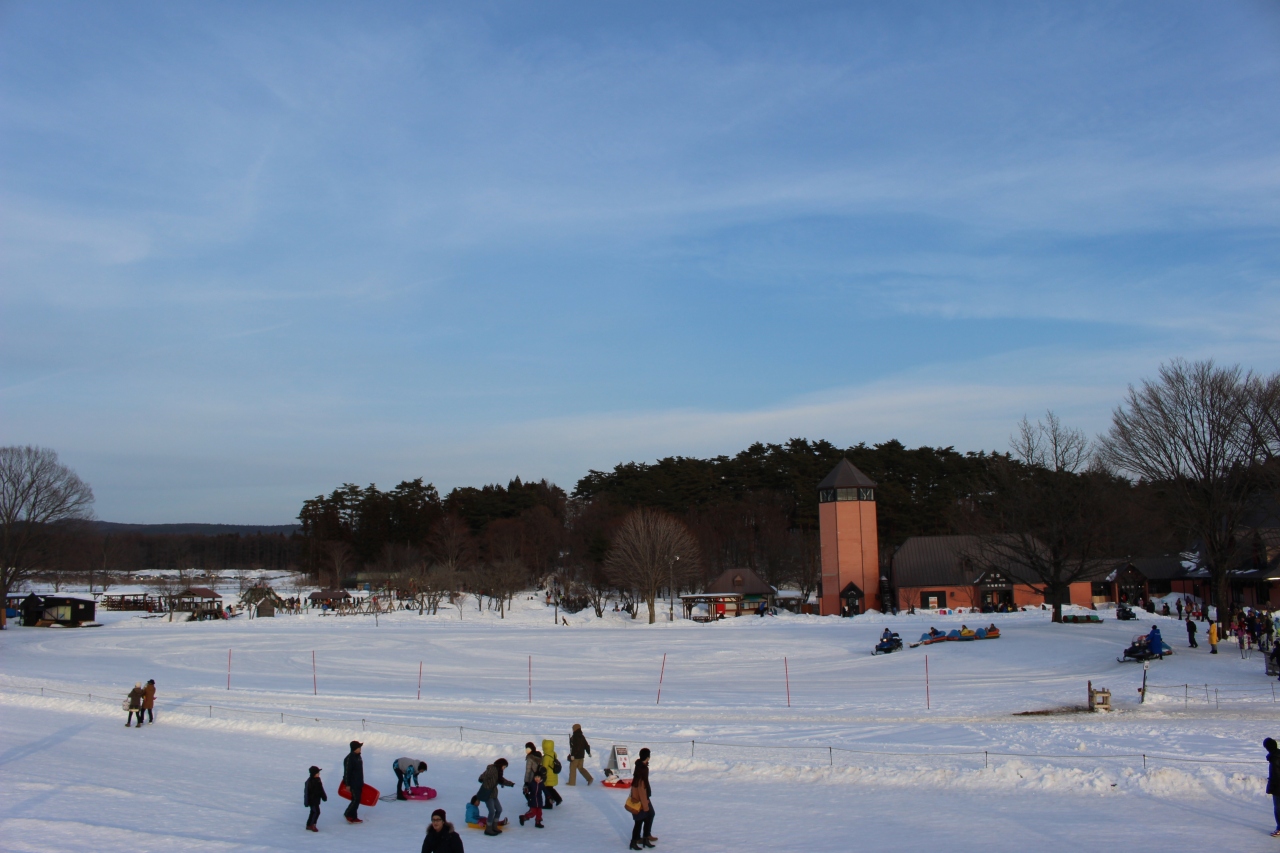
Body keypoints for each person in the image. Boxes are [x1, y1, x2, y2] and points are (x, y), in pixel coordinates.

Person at [476, 758, 514, 836]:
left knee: (499, 809)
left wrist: (510, 784)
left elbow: (501, 780)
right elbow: (483, 776)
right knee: (492, 811)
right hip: (488, 793)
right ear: (501, 765)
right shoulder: (493, 769)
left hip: (494, 794)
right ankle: (488, 829)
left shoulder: (499, 772)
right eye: (504, 766)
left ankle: (494, 826)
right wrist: (484, 781)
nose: (504, 768)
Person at [628, 747, 656, 850]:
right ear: (647, 757)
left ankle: (645, 838)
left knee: (649, 816)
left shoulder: (640, 765)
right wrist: (645, 804)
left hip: (642, 797)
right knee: (640, 821)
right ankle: (635, 841)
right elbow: (641, 788)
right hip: (640, 798)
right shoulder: (642, 769)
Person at [343, 741, 365, 824]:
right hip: (353, 783)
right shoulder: (349, 758)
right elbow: (347, 772)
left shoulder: (358, 757)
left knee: (357, 799)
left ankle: (354, 816)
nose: (360, 749)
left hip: (359, 781)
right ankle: (348, 813)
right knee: (356, 799)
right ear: (354, 749)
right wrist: (347, 784)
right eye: (359, 747)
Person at [540, 739, 563, 807]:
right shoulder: (553, 754)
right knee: (549, 789)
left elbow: (544, 768)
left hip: (548, 777)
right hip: (553, 775)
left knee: (548, 790)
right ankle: (549, 803)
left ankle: (556, 799)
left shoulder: (546, 757)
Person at [304, 765, 327, 832]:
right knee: (316, 812)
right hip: (312, 800)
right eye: (317, 773)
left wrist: (323, 796)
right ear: (313, 774)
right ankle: (312, 824)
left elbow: (321, 789)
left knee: (313, 812)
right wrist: (306, 802)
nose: (319, 774)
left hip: (316, 799)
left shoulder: (318, 780)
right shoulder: (309, 782)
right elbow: (306, 793)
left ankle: (309, 824)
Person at [1265, 738, 1280, 838]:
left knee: (1278, 809)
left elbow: (1275, 776)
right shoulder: (1275, 756)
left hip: (1278, 787)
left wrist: (1271, 786)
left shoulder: (1274, 758)